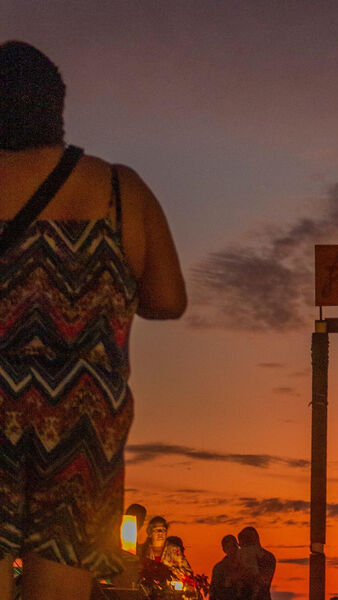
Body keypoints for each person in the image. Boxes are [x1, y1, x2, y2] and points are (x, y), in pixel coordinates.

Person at [0, 41, 186, 600]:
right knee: (60, 572)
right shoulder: (119, 190)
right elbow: (168, 299)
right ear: (57, 110)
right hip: (81, 419)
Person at [237, 527, 276, 600]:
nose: (241, 546)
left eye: (243, 543)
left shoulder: (267, 557)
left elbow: (264, 582)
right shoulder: (240, 558)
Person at [210, 535, 242, 600]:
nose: (232, 550)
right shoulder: (218, 568)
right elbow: (214, 591)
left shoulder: (245, 564)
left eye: (234, 546)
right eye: (228, 547)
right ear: (224, 550)